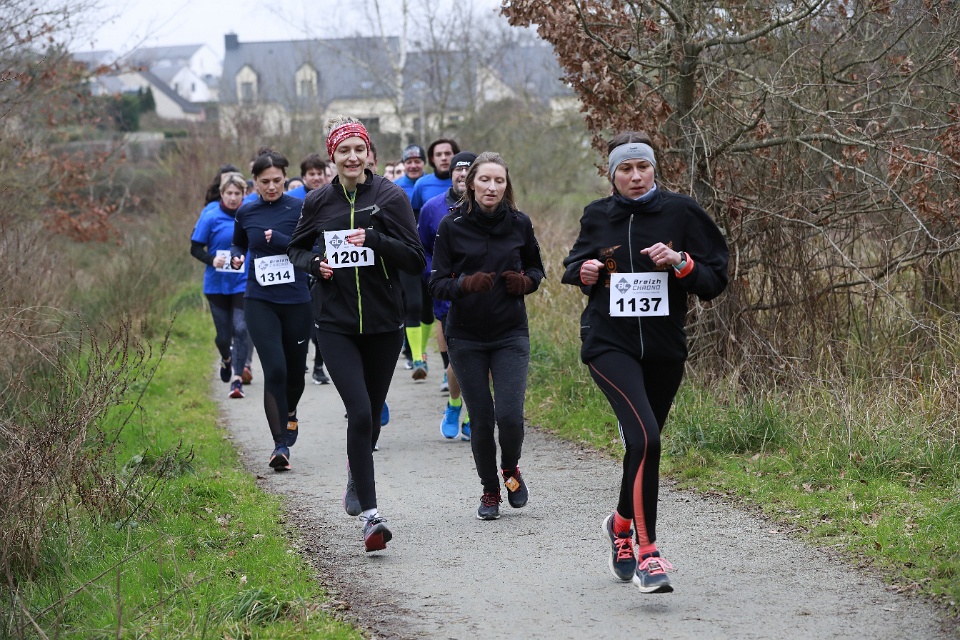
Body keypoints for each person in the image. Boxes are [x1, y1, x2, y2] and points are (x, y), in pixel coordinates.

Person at [561, 132, 729, 594]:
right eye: (625, 169)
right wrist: (585, 272)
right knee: (646, 437)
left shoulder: (683, 212)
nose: (635, 177)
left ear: (655, 169)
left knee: (644, 446)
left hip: (663, 349)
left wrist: (681, 262)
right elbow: (573, 265)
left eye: (643, 167)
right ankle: (648, 553)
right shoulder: (598, 215)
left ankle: (619, 525)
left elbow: (715, 279)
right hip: (608, 344)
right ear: (612, 175)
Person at [288, 116, 424, 553]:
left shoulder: (390, 197)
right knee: (360, 412)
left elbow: (416, 259)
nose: (351, 157)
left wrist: (376, 241)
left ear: (369, 154)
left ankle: (355, 470)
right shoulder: (317, 201)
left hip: (384, 324)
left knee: (372, 416)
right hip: (335, 323)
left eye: (358, 149)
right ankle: (371, 517)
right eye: (343, 150)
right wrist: (315, 265)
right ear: (333, 156)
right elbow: (296, 248)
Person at [428, 151, 545, 521]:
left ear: (506, 186)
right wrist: (464, 284)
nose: (492, 187)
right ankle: (490, 489)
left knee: (509, 417)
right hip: (466, 337)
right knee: (481, 419)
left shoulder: (519, 223)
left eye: (499, 180)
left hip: (511, 333)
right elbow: (436, 283)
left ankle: (510, 468)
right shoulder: (451, 225)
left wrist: (525, 282)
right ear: (470, 183)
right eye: (485, 180)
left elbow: (537, 269)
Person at [230, 148, 313, 472]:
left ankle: (290, 412)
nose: (272, 186)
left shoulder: (300, 208)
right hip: (259, 300)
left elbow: (312, 246)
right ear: (255, 181)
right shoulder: (246, 212)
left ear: (285, 178)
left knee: (295, 373)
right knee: (275, 370)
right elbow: (239, 242)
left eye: (277, 180)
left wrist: (279, 239)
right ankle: (280, 445)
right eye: (265, 181)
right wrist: (237, 255)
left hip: (296, 300)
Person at [418, 150, 477, 439]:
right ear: (450, 174)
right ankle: (454, 405)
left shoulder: (492, 206)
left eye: (468, 169)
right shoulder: (432, 208)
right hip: (448, 293)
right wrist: (435, 276)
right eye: (458, 169)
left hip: (485, 293)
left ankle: (475, 412)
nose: (462, 174)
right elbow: (422, 249)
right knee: (459, 357)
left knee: (487, 358)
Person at [190, 170, 250, 398]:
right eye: (229, 193)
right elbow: (195, 248)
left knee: (241, 329)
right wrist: (212, 259)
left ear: (244, 194)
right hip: (216, 284)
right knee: (224, 336)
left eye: (237, 193)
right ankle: (226, 358)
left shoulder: (249, 214)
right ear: (222, 194)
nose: (233, 198)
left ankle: (237, 379)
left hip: (243, 282)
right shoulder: (211, 216)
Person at [287, 152, 332, 385]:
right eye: (311, 174)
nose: (315, 177)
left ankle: (319, 367)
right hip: (299, 265)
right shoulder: (293, 200)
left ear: (325, 175)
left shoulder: (332, 197)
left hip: (325, 264)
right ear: (303, 176)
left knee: (322, 320)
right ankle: (299, 361)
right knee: (302, 321)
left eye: (319, 173)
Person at [409, 138, 460, 213]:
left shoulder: (464, 183)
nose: (443, 158)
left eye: (447, 154)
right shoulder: (421, 184)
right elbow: (414, 213)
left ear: (455, 155)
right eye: (438, 155)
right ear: (432, 159)